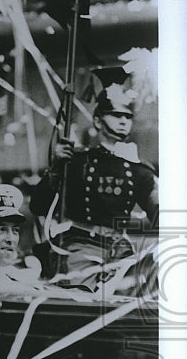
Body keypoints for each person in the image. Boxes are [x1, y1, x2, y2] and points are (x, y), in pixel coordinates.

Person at [30, 81, 158, 288]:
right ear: (98, 122)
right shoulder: (76, 161)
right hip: (80, 246)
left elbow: (160, 213)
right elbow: (38, 205)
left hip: (121, 250)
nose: (123, 121)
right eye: (116, 116)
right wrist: (56, 167)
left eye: (127, 117)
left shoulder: (139, 170)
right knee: (79, 297)